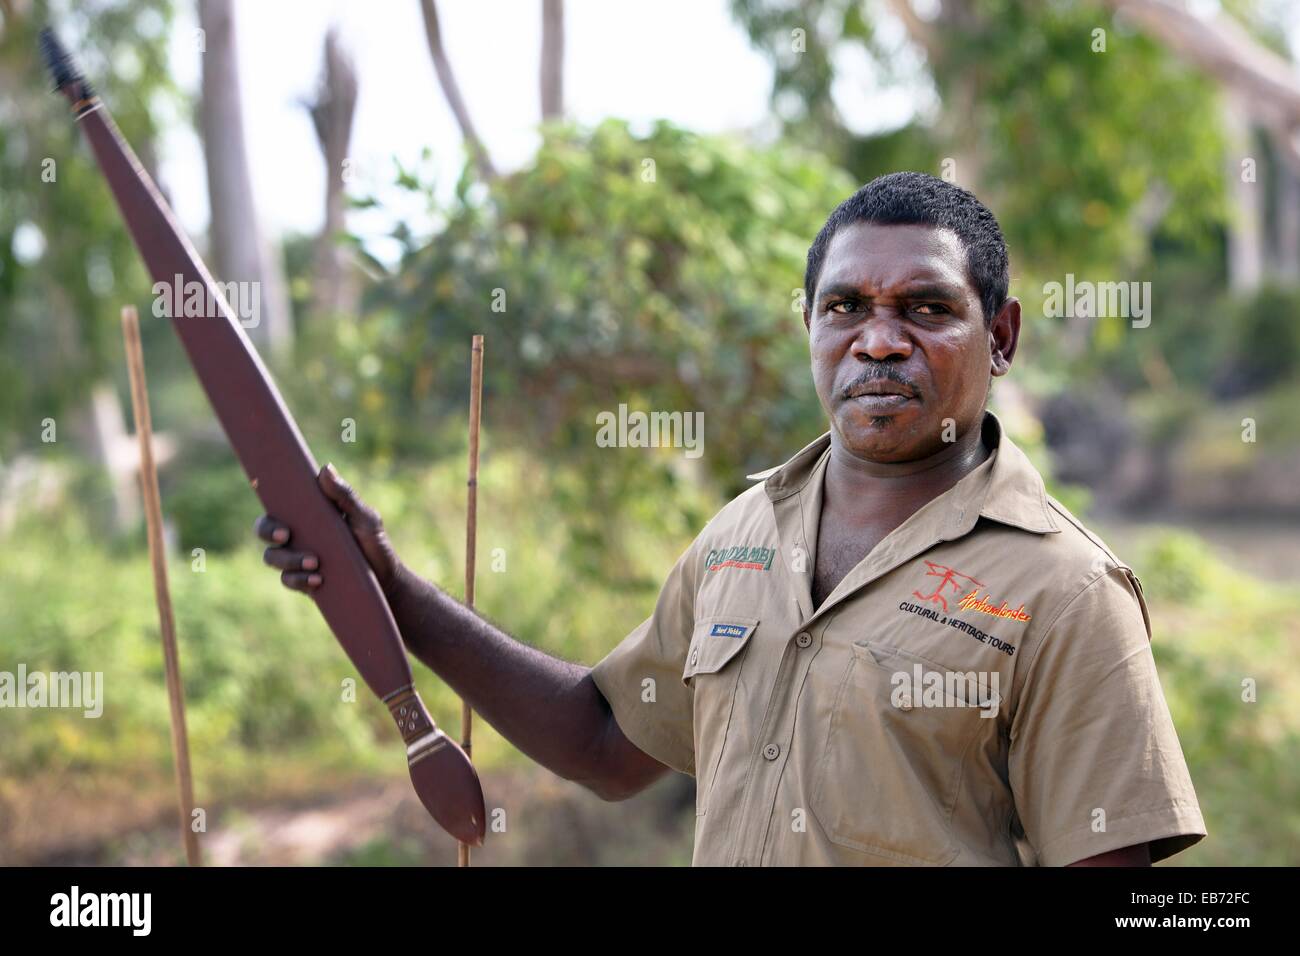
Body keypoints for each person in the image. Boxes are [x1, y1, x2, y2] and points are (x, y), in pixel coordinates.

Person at [256, 171, 1206, 866]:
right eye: (845, 307)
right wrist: (387, 585)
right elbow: (602, 743)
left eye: (925, 308)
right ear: (811, 327)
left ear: (999, 337)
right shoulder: (746, 533)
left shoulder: (1067, 593)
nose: (878, 339)